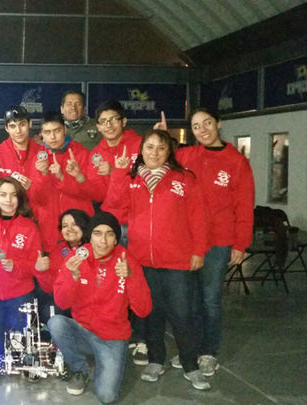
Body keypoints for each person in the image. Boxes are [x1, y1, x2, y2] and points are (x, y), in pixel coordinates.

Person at [102, 129, 210, 390]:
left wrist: (198, 251)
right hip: (142, 261)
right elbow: (113, 208)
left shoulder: (184, 179)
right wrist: (118, 174)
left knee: (182, 314)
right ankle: (155, 360)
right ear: (141, 151)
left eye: (161, 148)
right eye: (149, 147)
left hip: (177, 262)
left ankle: (190, 365)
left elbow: (198, 217)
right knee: (151, 313)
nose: (154, 153)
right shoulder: (132, 179)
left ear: (169, 151)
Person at [172, 108, 254, 376]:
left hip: (218, 242)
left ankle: (209, 352)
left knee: (210, 300)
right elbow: (155, 158)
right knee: (190, 300)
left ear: (219, 123)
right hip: (187, 241)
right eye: (196, 126)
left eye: (207, 123)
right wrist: (160, 137)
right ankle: (191, 350)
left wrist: (240, 244)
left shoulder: (236, 162)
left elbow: (244, 206)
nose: (202, 130)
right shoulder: (186, 156)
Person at [49, 211, 151, 403]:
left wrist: (131, 277)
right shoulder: (77, 258)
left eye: (109, 234)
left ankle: (114, 360)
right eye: (97, 233)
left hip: (112, 338)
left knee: (106, 396)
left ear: (116, 239)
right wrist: (73, 277)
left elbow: (143, 310)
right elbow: (61, 302)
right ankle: (79, 369)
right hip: (83, 331)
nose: (103, 241)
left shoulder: (126, 260)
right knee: (56, 323)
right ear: (90, 236)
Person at [90, 100, 146, 365]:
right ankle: (120, 333)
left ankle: (142, 338)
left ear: (124, 121)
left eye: (113, 119)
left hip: (139, 223)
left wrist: (117, 171)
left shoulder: (140, 145)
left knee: (138, 280)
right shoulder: (96, 154)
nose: (109, 125)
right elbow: (98, 195)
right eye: (103, 121)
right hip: (112, 227)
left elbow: (147, 182)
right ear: (98, 127)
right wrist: (108, 176)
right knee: (114, 281)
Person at [0, 177, 42, 355]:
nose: (8, 200)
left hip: (20, 296)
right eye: (3, 195)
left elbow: (36, 265)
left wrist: (16, 266)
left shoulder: (29, 227)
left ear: (19, 198)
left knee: (19, 350)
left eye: (13, 195)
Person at [32, 111, 106, 251]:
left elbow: (96, 194)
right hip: (50, 229)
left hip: (79, 226)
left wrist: (65, 178)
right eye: (47, 132)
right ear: (41, 134)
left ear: (65, 130)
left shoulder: (81, 153)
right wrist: (43, 175)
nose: (52, 137)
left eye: (57, 131)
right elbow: (36, 198)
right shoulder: (38, 158)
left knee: (83, 263)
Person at [0, 106, 45, 209]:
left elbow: (50, 194)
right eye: (12, 126)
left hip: (36, 214)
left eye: (22, 124)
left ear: (30, 124)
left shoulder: (42, 152)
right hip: (7, 215)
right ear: (6, 128)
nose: (18, 131)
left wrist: (32, 188)